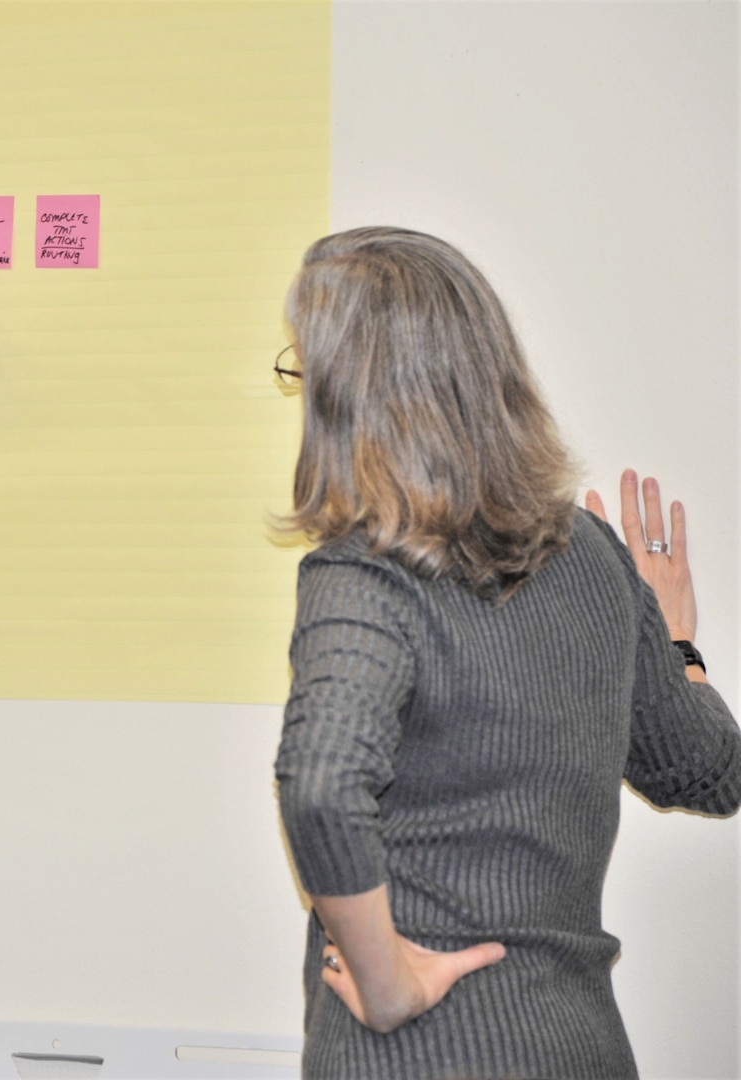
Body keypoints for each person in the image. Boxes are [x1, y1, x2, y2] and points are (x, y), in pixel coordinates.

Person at [271, 226, 740, 1078]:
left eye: (304, 373)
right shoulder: (597, 556)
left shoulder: (361, 575)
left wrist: (386, 988)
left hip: (416, 1056)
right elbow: (708, 771)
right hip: (577, 1049)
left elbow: (320, 785)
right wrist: (678, 649)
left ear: (351, 400)